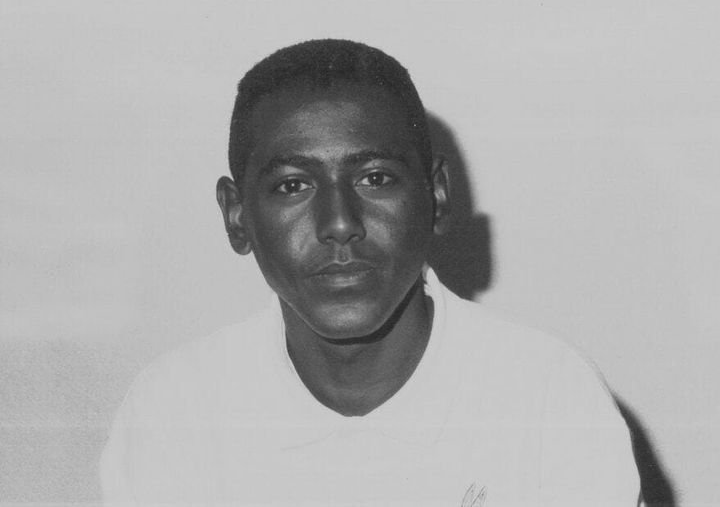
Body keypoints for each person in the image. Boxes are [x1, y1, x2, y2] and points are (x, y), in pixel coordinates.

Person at [100, 39, 640, 506]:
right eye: (293, 185)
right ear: (237, 217)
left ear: (436, 196)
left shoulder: (549, 400)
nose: (340, 224)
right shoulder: (174, 413)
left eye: (375, 178)